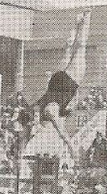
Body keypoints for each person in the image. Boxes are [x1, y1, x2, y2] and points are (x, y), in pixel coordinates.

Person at [28, 11, 92, 159]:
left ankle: (87, 17)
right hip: (56, 79)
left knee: (81, 47)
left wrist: (71, 148)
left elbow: (62, 132)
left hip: (69, 82)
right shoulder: (39, 106)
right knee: (69, 47)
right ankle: (77, 22)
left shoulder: (50, 113)